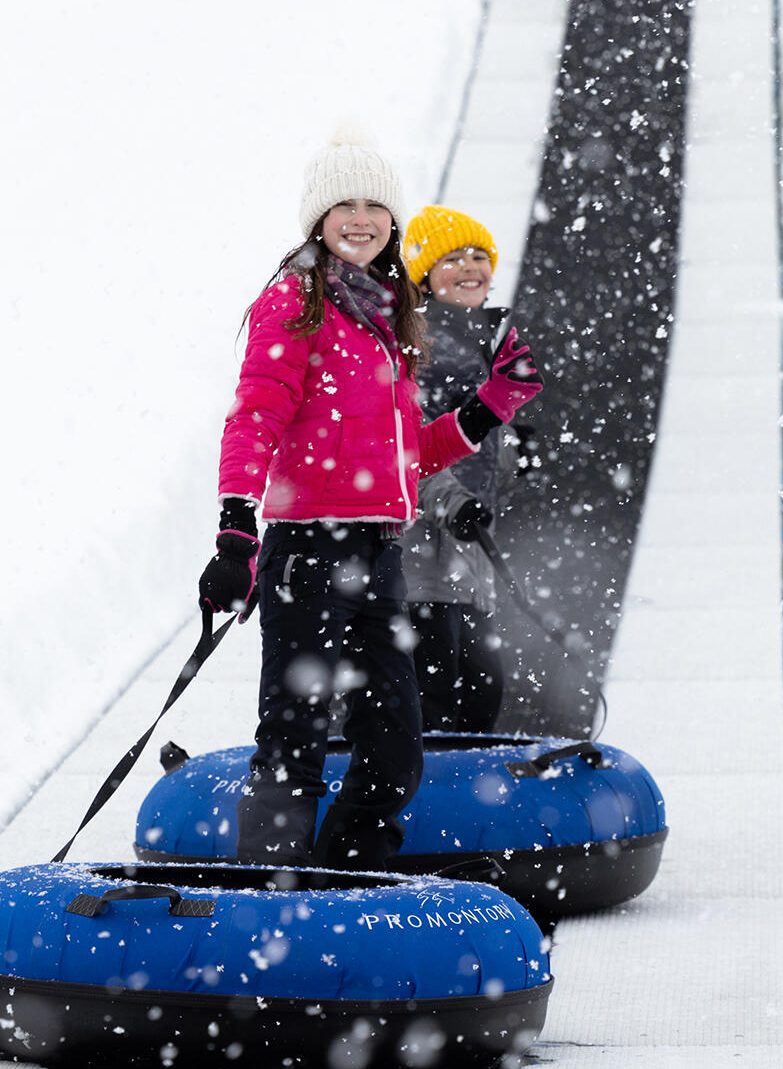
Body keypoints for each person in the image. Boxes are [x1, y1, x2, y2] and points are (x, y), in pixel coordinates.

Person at [198, 133, 544, 870]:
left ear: (393, 220)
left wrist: (486, 410)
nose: (360, 218)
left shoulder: (388, 318)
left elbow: (402, 458)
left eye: (375, 205)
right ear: (317, 218)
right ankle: (271, 900)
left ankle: (346, 882)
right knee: (293, 742)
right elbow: (255, 413)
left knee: (394, 749)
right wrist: (236, 528)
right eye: (343, 204)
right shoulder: (296, 300)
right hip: (310, 552)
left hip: (379, 554)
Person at [399, 205, 512, 732]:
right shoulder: (420, 346)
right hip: (421, 565)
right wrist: (454, 503)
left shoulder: (478, 342)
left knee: (478, 696)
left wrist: (512, 453)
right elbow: (402, 447)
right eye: (451, 258)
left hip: (463, 567)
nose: (470, 267)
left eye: (478, 256)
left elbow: (470, 448)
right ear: (423, 276)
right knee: (439, 700)